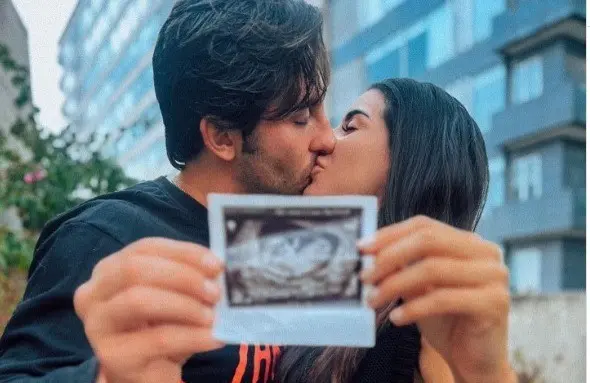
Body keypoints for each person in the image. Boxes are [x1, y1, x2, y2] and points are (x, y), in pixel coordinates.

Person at [0, 1, 335, 382]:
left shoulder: (287, 236)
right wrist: (107, 377)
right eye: (301, 118)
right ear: (222, 136)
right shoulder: (103, 236)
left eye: (323, 112)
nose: (327, 137)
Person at [277, 78, 516, 383]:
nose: (324, 141)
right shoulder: (327, 290)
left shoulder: (429, 325)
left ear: (409, 159)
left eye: (350, 127)